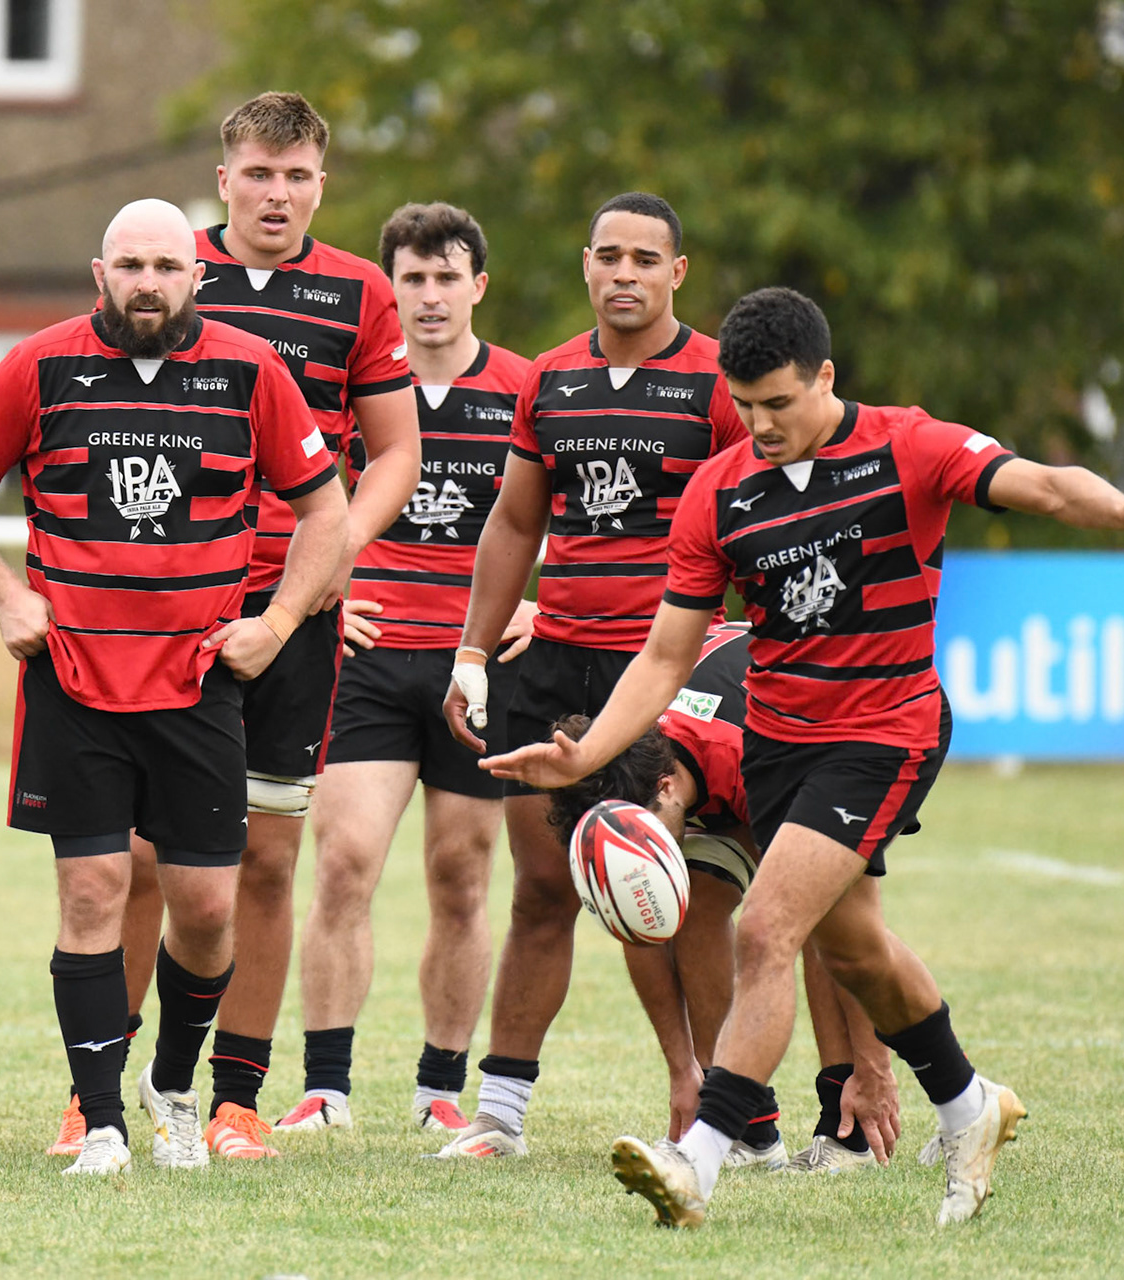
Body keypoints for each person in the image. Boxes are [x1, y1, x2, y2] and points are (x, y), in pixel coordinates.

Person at [483, 286, 1124, 1226]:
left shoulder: (908, 444)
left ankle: (701, 1159)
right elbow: (665, 656)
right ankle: (968, 1104)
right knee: (854, 950)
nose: (761, 424)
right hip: (779, 738)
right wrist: (585, 761)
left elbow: (1045, 483)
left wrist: (1122, 512)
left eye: (780, 402)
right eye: (744, 406)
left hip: (886, 726)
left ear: (826, 376)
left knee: (765, 928)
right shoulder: (720, 491)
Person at [0, 199, 348, 1176]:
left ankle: (172, 1083)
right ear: (97, 272)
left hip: (199, 683)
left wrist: (275, 624)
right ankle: (102, 1120)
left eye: (165, 264)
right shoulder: (39, 365)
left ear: (198, 274)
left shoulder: (251, 369)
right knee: (92, 894)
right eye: (129, 265)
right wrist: (5, 595)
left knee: (203, 909)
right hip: (75, 678)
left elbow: (326, 510)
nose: (146, 281)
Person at [101, 90, 417, 1161]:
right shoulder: (158, 265)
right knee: (144, 857)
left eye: (298, 175)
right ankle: (99, 1085)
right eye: (259, 172)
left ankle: (233, 1098)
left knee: (270, 861)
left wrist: (329, 558)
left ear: (320, 184)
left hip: (293, 616)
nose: (277, 193)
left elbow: (395, 457)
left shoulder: (359, 293)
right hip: (169, 607)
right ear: (224, 177)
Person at [434, 192, 746, 1158]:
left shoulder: (715, 384)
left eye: (645, 259)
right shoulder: (553, 379)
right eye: (608, 256)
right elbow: (516, 525)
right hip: (556, 661)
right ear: (584, 264)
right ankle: (502, 1117)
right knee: (542, 890)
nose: (624, 273)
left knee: (659, 887)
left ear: (676, 273)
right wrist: (474, 652)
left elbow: (756, 513)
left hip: (665, 669)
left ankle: (710, 1097)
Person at [275, 203, 534, 1139]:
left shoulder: (524, 389)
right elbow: (292, 506)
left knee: (461, 876)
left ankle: (436, 1088)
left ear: (478, 286)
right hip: (368, 658)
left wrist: (536, 602)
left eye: (446, 276)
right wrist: (311, 602)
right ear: (388, 287)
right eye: (412, 279)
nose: (429, 296)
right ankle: (326, 1090)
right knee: (342, 862)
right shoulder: (349, 392)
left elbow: (568, 517)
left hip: (477, 665)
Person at [543, 622, 901, 1171]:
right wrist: (682, 1069)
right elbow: (642, 925)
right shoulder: (635, 759)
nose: (641, 856)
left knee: (820, 916)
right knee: (695, 905)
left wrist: (873, 1067)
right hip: (729, 752)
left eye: (644, 838)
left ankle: (852, 1129)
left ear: (664, 789)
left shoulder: (748, 755)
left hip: (866, 718)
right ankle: (744, 1125)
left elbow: (855, 912)